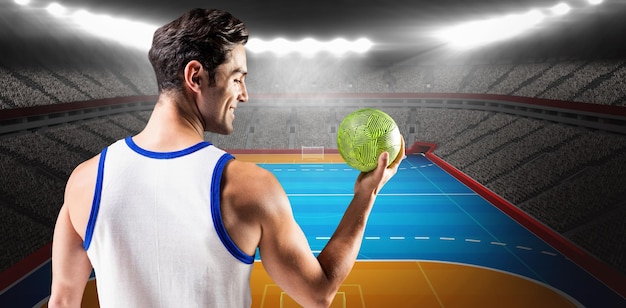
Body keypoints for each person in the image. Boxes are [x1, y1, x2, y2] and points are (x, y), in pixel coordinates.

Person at [49, 8, 404, 308]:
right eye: (237, 78)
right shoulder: (248, 187)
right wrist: (364, 197)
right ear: (195, 76)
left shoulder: (84, 181)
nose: (244, 95)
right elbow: (319, 292)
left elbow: (62, 301)